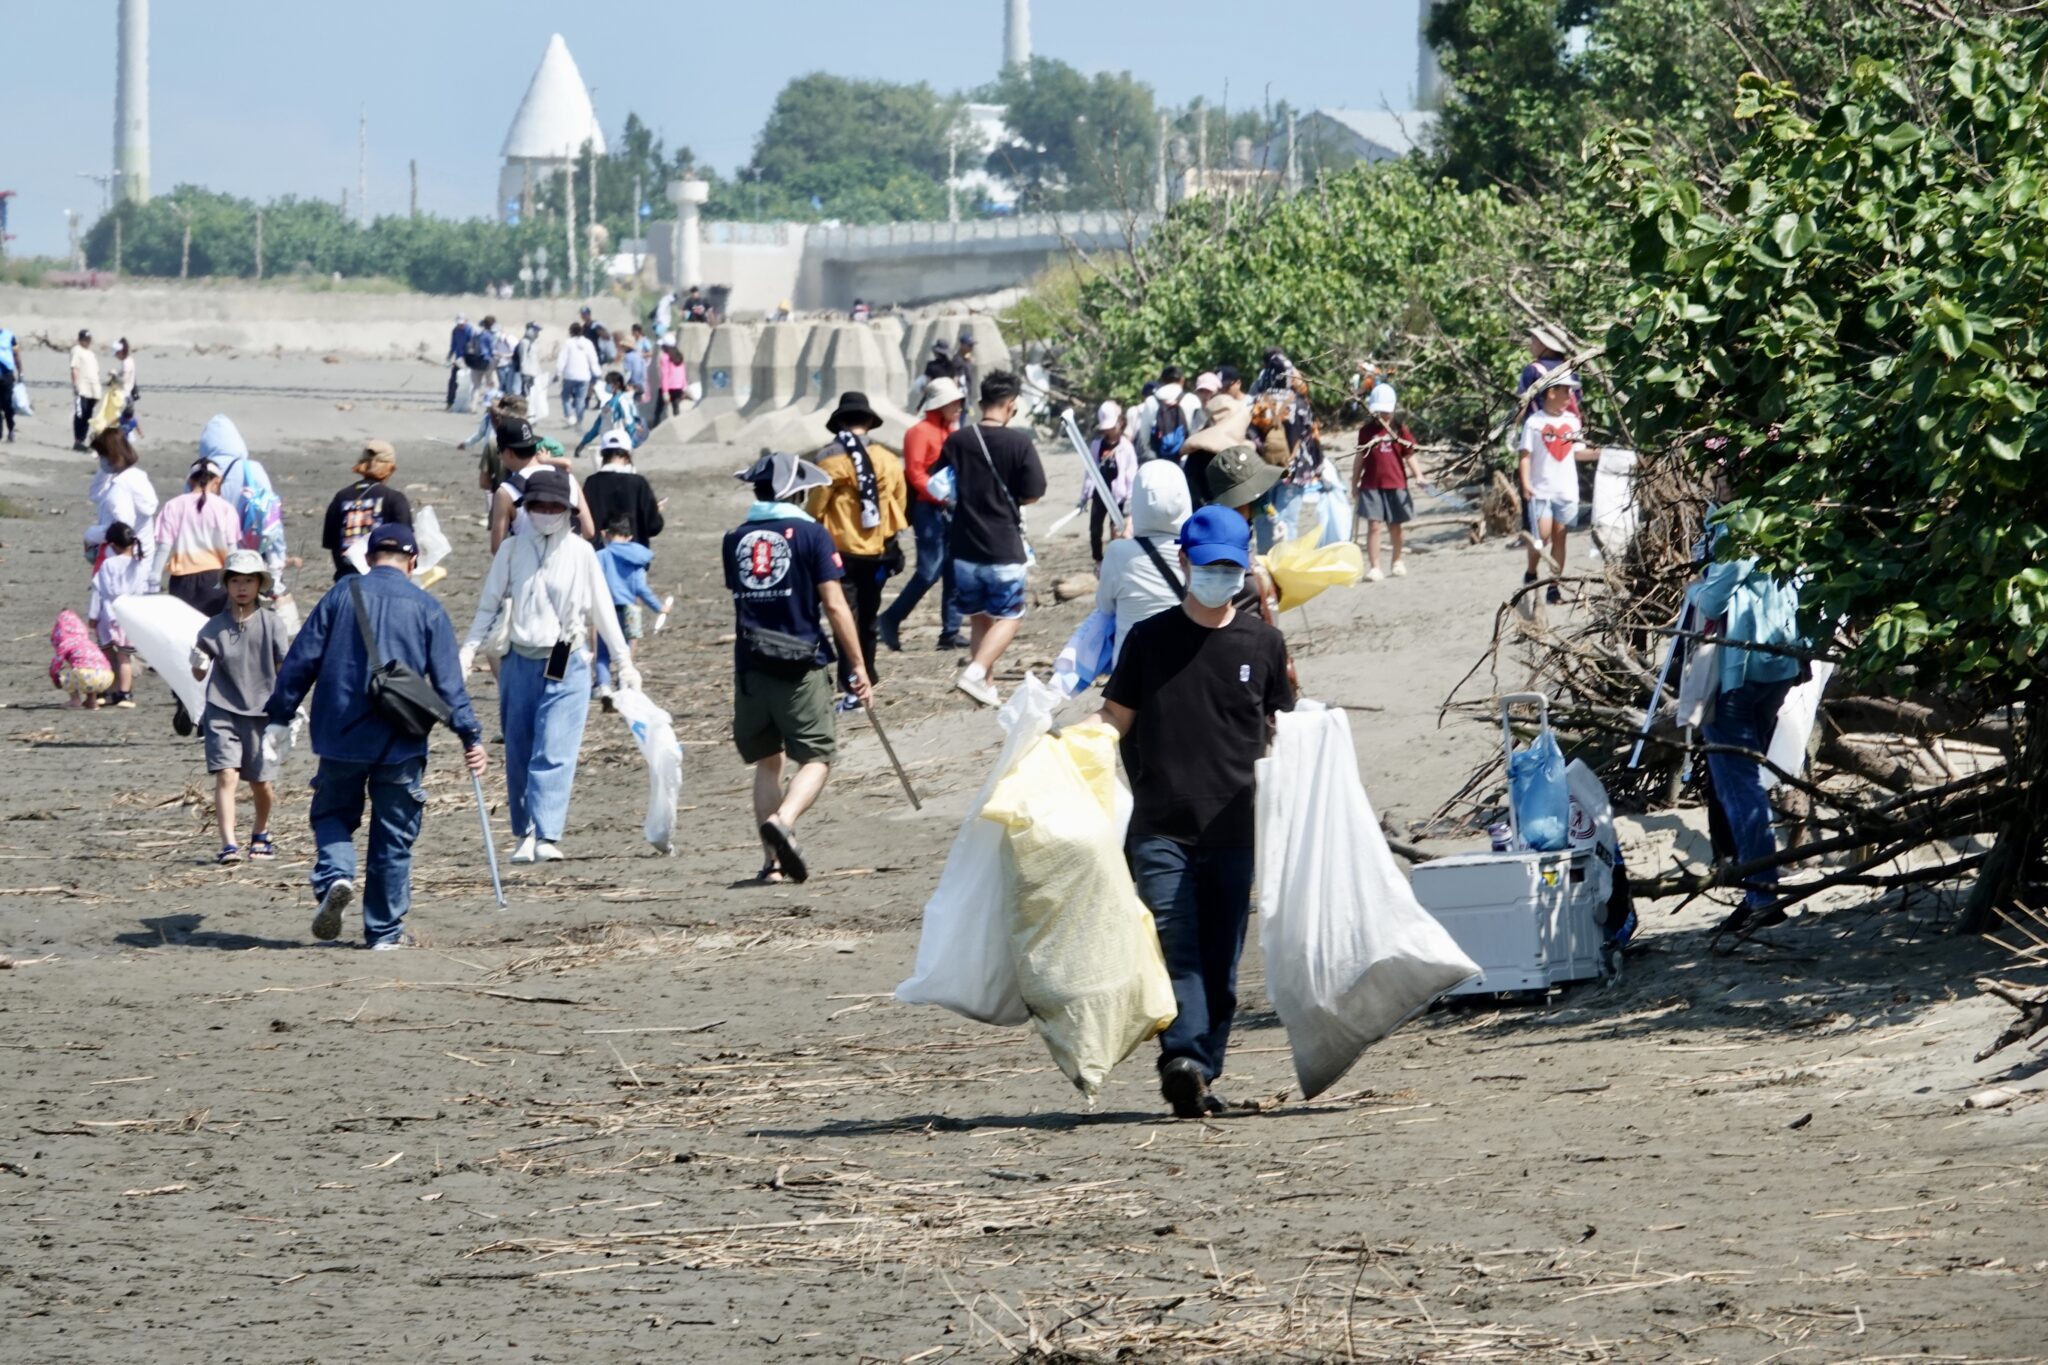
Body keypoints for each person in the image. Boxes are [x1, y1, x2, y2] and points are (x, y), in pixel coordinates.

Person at [1085, 504, 1295, 1118]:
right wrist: (1064, 753)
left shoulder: (1263, 641)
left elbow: (1283, 730)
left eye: (1230, 568)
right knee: (1176, 950)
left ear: (1246, 570)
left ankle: (1199, 1071)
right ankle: (1183, 1057)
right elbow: (1114, 719)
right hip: (1159, 828)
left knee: (1221, 960)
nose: (1217, 577)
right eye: (1207, 566)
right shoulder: (1149, 640)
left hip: (1235, 829)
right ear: (1184, 563)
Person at [266, 523, 487, 948]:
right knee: (393, 834)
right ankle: (383, 933)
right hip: (400, 737)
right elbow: (449, 685)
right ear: (414, 561)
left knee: (332, 814)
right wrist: (470, 736)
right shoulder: (428, 608)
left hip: (340, 732)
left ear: (368, 558)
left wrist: (280, 713)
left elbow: (302, 659)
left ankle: (337, 874)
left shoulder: (340, 595)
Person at [460, 467, 634, 864]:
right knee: (519, 747)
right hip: (519, 658)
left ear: (568, 510)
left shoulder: (581, 552)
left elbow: (603, 611)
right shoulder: (511, 549)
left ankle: (547, 833)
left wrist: (624, 662)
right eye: (537, 504)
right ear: (526, 508)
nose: (544, 511)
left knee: (554, 748)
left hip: (565, 657)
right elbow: (489, 604)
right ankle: (524, 832)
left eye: (553, 505)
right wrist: (468, 651)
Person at [722, 451, 871, 886]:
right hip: (800, 662)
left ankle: (772, 865)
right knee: (818, 757)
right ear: (798, 492)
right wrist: (857, 665)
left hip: (750, 666)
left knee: (769, 763)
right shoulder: (812, 535)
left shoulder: (735, 538)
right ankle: (784, 820)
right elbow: (835, 605)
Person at [1696, 553, 1805, 937]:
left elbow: (1712, 601)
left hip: (1740, 673)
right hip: (1780, 665)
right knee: (1747, 784)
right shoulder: (1788, 516)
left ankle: (1762, 898)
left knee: (1739, 789)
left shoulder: (1739, 529)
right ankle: (1759, 892)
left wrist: (1693, 589)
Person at [931, 370, 1045, 707]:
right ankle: (976, 671)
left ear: (981, 403)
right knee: (1011, 614)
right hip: (1003, 544)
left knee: (980, 615)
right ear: (1011, 405)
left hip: (964, 545)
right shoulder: (1020, 443)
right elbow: (1033, 493)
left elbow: (940, 483)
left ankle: (987, 686)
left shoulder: (957, 441)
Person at [807, 390, 908, 705]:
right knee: (868, 615)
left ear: (840, 423)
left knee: (844, 616)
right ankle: (868, 673)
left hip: (839, 551)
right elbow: (900, 502)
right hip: (878, 551)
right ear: (868, 422)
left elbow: (815, 507)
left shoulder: (828, 458)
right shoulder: (888, 459)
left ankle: (851, 681)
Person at [191, 550, 289, 864]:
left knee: (261, 782)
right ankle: (229, 844)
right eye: (236, 580)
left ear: (260, 584)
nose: (242, 587)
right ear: (227, 585)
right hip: (221, 708)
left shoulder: (272, 622)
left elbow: (284, 665)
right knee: (226, 776)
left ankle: (261, 831)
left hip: (262, 711)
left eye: (249, 580)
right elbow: (198, 671)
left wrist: (289, 705)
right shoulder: (213, 627)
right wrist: (197, 661)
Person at [877, 377, 966, 653]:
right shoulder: (918, 432)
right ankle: (891, 618)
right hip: (928, 509)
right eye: (955, 403)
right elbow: (915, 473)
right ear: (940, 405)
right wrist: (938, 495)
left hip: (951, 506)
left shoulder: (952, 431)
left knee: (954, 569)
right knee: (929, 571)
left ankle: (951, 631)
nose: (960, 407)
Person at [1096, 461, 1194, 663]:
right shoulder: (1197, 551)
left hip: (1132, 672)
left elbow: (1105, 607)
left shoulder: (1118, 552)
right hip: (1183, 664)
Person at [204, 415, 294, 627]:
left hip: (213, 556)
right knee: (250, 611)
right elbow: (271, 517)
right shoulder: (251, 469)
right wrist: (277, 560)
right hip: (252, 552)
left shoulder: (201, 472)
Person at [1518, 370, 1596, 604]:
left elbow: (1578, 453)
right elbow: (1525, 456)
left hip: (1566, 490)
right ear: (1551, 392)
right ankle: (1531, 571)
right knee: (1542, 536)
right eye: (1565, 391)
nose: (1569, 396)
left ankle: (1555, 585)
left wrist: (1604, 453)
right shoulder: (1534, 422)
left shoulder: (1572, 421)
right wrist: (1525, 484)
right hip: (1541, 490)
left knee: (1560, 537)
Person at [151, 459, 243, 616]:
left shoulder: (173, 506)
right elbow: (233, 551)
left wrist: (153, 581)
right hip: (216, 580)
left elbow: (164, 547)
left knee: (184, 632)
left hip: (182, 582)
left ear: (190, 480)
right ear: (217, 481)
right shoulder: (226, 508)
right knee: (214, 632)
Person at [490, 415, 593, 553]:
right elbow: (589, 531)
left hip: (527, 566)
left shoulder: (506, 492)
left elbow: (498, 548)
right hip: (566, 562)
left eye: (499, 452)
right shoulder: (568, 479)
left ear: (508, 452)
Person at [594, 515, 667, 699]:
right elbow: (641, 588)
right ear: (629, 537)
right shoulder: (637, 556)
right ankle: (624, 683)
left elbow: (593, 584)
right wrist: (659, 607)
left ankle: (603, 685)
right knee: (626, 649)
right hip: (630, 608)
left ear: (606, 535)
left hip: (606, 608)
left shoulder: (601, 556)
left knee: (603, 651)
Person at [1353, 383, 1419, 581]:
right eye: (1380, 411)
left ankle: (1397, 560)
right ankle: (1374, 566)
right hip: (1371, 484)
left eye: (1387, 411)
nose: (1384, 415)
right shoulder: (1366, 432)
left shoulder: (1401, 430)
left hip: (1396, 483)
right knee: (1374, 525)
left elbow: (1409, 455)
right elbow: (1359, 458)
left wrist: (1419, 475)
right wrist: (1354, 482)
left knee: (1395, 525)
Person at [320, 441, 413, 582]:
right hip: (381, 578)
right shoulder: (394, 499)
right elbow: (406, 542)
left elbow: (331, 543)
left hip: (346, 579)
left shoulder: (341, 497)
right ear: (390, 468)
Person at [88, 521, 148, 707]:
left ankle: (108, 690)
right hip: (129, 614)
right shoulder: (140, 565)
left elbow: (99, 591)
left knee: (106, 655)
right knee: (125, 657)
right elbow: (143, 592)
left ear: (112, 545)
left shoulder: (108, 564)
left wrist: (92, 617)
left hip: (108, 614)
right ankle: (125, 694)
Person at [85, 427, 159, 575]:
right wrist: (106, 469)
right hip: (143, 555)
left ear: (110, 457)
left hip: (121, 561)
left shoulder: (120, 486)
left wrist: (91, 535)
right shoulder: (137, 478)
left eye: (101, 456)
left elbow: (122, 529)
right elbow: (96, 493)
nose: (100, 461)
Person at [583, 429, 665, 547]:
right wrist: (655, 511)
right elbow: (653, 527)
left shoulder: (591, 483)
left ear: (603, 454)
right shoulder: (638, 483)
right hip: (632, 556)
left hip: (599, 555)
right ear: (628, 454)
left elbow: (585, 523)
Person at [1082, 400, 1137, 564]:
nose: (1109, 431)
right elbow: (1090, 471)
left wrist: (1129, 497)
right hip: (1100, 492)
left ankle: (1117, 559)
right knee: (1095, 529)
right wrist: (1085, 495)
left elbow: (1131, 473)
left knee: (1118, 528)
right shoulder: (1096, 445)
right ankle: (1098, 559)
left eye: (1112, 427)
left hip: (1118, 495)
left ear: (1120, 423)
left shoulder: (1126, 447)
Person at [1132, 366, 1200, 464]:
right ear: (1182, 380)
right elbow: (1198, 434)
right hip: (1186, 462)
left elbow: (1144, 438)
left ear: (1162, 381)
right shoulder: (1192, 400)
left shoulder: (1151, 401)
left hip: (1158, 462)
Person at [50, 609, 115, 710]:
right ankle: (92, 701)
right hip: (107, 677)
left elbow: (56, 664)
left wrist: (55, 679)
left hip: (88, 676)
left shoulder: (67, 643)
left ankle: (75, 700)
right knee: (88, 668)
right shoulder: (88, 643)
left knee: (67, 671)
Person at [1517, 325, 1579, 423]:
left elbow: (1520, 405)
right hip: (1567, 429)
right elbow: (1577, 400)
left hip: (1538, 429)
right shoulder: (1571, 368)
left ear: (1543, 344)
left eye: (1533, 341)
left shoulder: (1532, 370)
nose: (1530, 345)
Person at [577, 371, 643, 456]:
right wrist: (583, 443)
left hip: (620, 443)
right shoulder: (608, 403)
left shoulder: (623, 401)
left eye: (609, 383)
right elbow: (597, 426)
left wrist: (631, 443)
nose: (606, 386)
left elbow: (628, 422)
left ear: (617, 384)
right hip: (608, 443)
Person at [557, 321, 600, 428]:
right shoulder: (588, 343)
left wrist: (558, 372)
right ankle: (579, 420)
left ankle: (570, 417)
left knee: (565, 396)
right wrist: (597, 373)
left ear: (571, 332)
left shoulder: (568, 343)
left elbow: (562, 359)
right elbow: (593, 359)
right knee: (580, 398)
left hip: (569, 376)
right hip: (584, 376)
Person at [70, 329, 102, 451]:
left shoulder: (90, 353)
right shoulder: (76, 350)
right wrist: (75, 385)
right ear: (80, 339)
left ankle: (82, 439)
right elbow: (74, 368)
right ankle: (78, 440)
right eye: (85, 339)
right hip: (82, 387)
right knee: (80, 413)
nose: (87, 341)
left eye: (89, 339)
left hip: (93, 389)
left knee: (88, 415)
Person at [446, 315, 473, 411]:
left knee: (469, 383)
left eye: (462, 324)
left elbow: (472, 346)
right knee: (453, 381)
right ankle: (450, 402)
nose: (460, 325)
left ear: (466, 321)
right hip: (458, 360)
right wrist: (449, 356)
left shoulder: (470, 330)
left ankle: (468, 404)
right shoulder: (455, 331)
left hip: (468, 360)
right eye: (458, 324)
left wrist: (468, 359)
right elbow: (453, 345)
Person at [0, 318, 20, 443]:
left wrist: (21, 371)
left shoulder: (9, 336)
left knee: (7, 406)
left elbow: (17, 354)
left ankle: (11, 429)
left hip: (7, 376)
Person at [657, 341, 689, 418]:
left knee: (658, 411)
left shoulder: (665, 357)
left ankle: (655, 427)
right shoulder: (679, 356)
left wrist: (665, 391)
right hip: (678, 387)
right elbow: (683, 372)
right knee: (676, 409)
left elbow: (664, 375)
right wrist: (685, 386)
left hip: (668, 387)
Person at [512, 322, 542, 399]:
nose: (537, 333)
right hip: (526, 372)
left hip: (534, 372)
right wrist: (524, 371)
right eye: (535, 330)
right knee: (526, 393)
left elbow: (536, 358)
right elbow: (523, 357)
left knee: (533, 393)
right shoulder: (524, 342)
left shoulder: (535, 342)